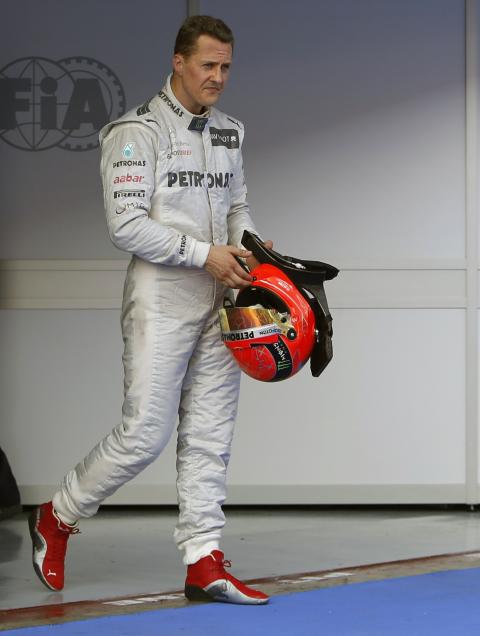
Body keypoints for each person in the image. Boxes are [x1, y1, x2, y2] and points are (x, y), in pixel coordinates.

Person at [28, 16, 271, 605]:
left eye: (226, 66)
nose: (218, 77)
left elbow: (238, 205)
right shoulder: (134, 132)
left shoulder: (231, 131)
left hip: (224, 301)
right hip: (162, 300)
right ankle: (57, 515)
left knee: (211, 434)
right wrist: (204, 255)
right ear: (178, 62)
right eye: (208, 65)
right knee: (144, 436)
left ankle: (203, 559)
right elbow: (126, 226)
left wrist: (258, 257)